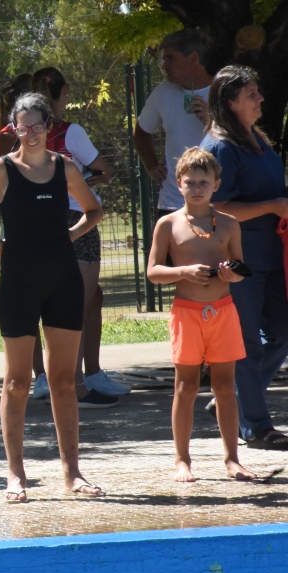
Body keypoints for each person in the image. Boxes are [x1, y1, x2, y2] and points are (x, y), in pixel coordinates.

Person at [0, 92, 104, 502]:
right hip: (19, 282)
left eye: (37, 125)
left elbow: (94, 210)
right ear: (12, 128)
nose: (30, 133)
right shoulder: (0, 170)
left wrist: (69, 236)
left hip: (63, 281)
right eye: (22, 126)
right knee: (17, 381)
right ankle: (15, 475)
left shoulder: (65, 168)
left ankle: (73, 473)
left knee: (65, 381)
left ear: (50, 127)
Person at [147, 147, 254, 482]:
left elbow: (240, 268)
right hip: (187, 313)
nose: (196, 188)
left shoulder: (229, 224)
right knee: (185, 386)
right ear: (178, 184)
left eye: (203, 182)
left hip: (222, 311)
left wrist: (230, 274)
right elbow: (153, 271)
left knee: (224, 385)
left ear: (216, 184)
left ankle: (232, 458)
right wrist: (183, 272)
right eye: (190, 181)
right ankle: (182, 459)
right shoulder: (168, 224)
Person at [27, 67, 128, 406]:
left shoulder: (17, 134)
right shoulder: (70, 132)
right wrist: (84, 182)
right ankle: (73, 386)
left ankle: (78, 376)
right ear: (63, 91)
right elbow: (103, 170)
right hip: (77, 218)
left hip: (38, 222)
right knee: (74, 304)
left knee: (82, 299)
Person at [200, 65, 288, 447]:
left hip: (272, 254)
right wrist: (273, 205)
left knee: (282, 333)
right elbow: (215, 207)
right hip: (238, 258)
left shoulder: (258, 139)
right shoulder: (219, 147)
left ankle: (234, 399)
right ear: (230, 102)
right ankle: (256, 426)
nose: (260, 99)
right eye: (251, 94)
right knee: (247, 342)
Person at [133, 29, 213, 223]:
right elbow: (141, 133)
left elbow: (244, 138)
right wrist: (151, 165)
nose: (165, 65)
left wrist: (213, 123)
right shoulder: (163, 92)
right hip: (173, 203)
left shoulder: (224, 90)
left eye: (170, 58)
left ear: (193, 58)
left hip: (217, 202)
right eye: (163, 59)